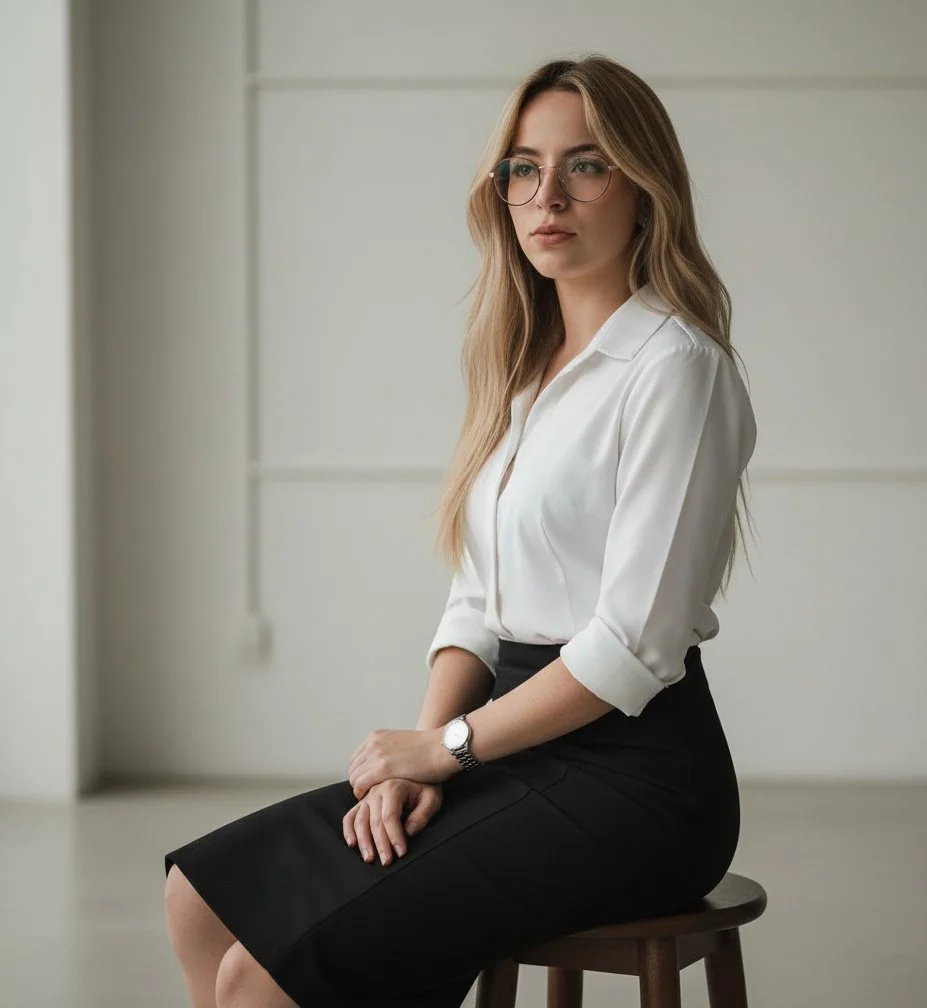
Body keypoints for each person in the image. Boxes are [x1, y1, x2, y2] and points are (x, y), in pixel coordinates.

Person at [163, 52, 757, 1008]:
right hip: (511, 743)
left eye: (586, 164)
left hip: (637, 782)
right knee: (200, 900)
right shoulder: (529, 375)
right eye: (523, 168)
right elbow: (479, 606)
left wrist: (448, 751)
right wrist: (421, 749)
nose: (547, 194)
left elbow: (632, 651)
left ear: (645, 187)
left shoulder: (675, 367)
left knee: (264, 976)